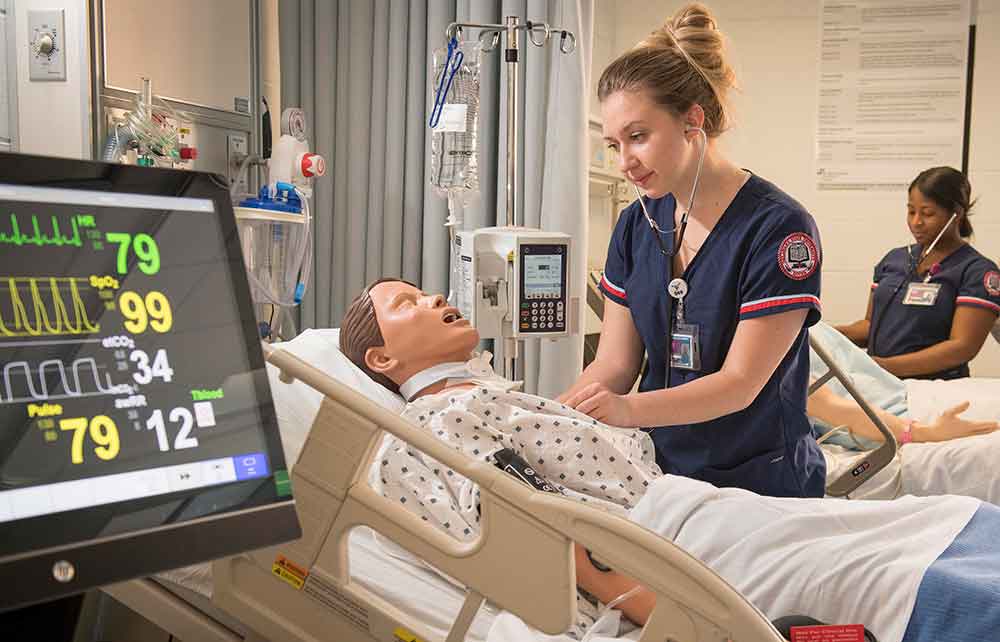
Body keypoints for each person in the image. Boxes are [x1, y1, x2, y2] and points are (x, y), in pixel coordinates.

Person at [339, 278, 1000, 641]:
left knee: (925, 522)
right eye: (407, 304)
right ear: (382, 360)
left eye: (422, 290)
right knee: (888, 574)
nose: (432, 298)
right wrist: (678, 615)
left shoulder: (482, 395)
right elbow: (540, 525)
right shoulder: (440, 421)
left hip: (693, 517)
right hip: (675, 548)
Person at [559, 3, 825, 498]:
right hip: (662, 472)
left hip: (758, 479)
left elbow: (740, 383)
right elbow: (615, 365)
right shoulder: (636, 225)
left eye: (638, 137)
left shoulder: (780, 229)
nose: (624, 162)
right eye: (614, 144)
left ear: (692, 121)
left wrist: (628, 411)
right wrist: (553, 417)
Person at [836, 167, 1000, 380]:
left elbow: (962, 347)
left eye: (928, 213)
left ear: (956, 215)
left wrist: (885, 367)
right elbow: (870, 325)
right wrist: (823, 335)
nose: (916, 222)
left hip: (937, 390)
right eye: (911, 211)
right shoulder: (894, 259)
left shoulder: (977, 271)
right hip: (881, 385)